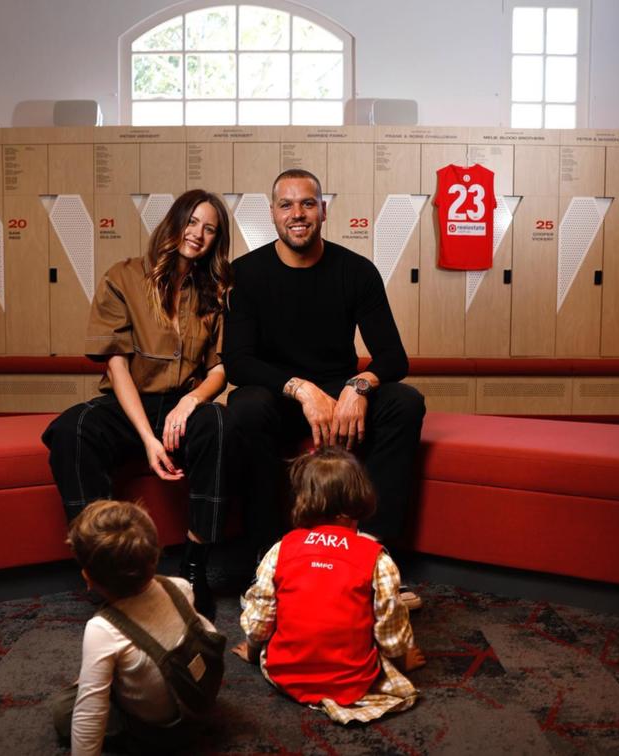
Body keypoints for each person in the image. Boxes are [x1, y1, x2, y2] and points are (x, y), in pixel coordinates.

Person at [42, 189, 233, 618]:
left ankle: (195, 567)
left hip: (184, 402)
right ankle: (105, 561)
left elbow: (223, 367)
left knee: (220, 423)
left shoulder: (216, 291)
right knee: (72, 429)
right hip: (131, 405)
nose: (198, 235)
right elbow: (116, 365)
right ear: (174, 222)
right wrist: (148, 438)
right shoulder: (123, 277)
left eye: (210, 229)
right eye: (191, 222)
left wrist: (191, 402)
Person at [222, 168, 426, 565]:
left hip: (341, 400)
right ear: (273, 213)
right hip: (279, 397)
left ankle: (372, 551)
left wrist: (360, 386)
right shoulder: (245, 274)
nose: (297, 213)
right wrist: (300, 388)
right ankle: (268, 557)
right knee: (245, 406)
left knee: (405, 402)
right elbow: (238, 362)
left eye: (307, 203)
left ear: (323, 210)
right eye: (286, 205)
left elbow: (393, 357)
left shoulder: (356, 270)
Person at [233, 447, 425, 724]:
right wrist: (402, 658)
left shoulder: (280, 550)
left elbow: (261, 616)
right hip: (352, 681)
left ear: (302, 499)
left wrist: (252, 650)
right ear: (360, 496)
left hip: (286, 673)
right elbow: (390, 622)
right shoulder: (376, 558)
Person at [51, 499, 224, 755]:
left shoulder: (102, 630)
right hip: (199, 707)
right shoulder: (179, 586)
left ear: (88, 578)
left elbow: (90, 714)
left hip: (159, 735)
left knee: (64, 710)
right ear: (154, 557)